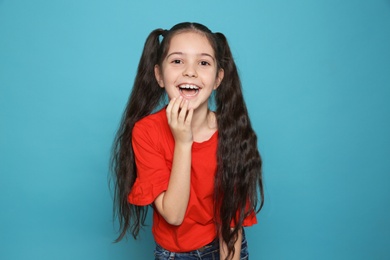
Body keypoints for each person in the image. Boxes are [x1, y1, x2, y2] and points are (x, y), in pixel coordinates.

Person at [111, 22, 264, 260]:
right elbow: (173, 215)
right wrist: (184, 142)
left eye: (203, 63)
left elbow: (232, 222)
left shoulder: (232, 131)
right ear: (159, 75)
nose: (190, 72)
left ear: (217, 79)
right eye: (177, 61)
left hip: (225, 246)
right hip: (175, 254)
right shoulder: (146, 132)